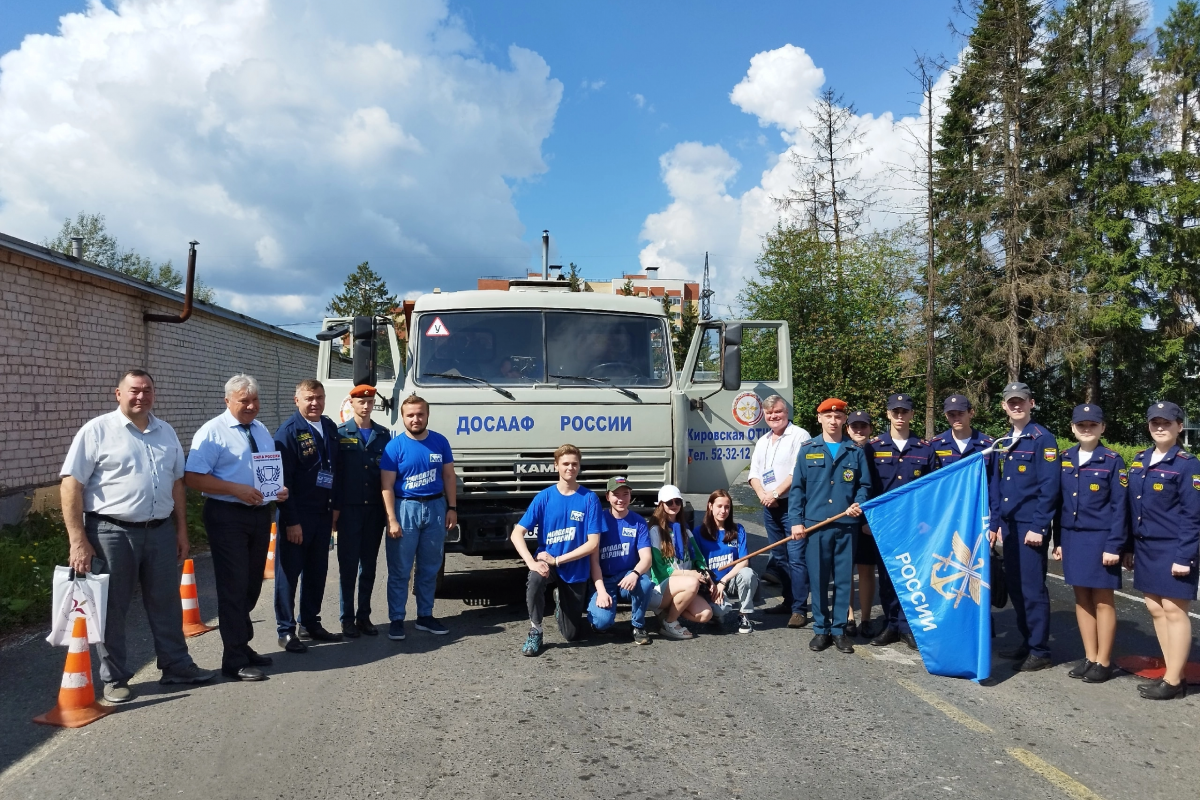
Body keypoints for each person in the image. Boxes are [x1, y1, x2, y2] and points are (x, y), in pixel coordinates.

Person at [60, 369, 216, 703]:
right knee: (112, 607)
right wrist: (77, 540)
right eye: (133, 390)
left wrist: (181, 531)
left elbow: (177, 483)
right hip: (110, 533)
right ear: (118, 394)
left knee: (167, 603)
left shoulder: (166, 432)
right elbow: (71, 484)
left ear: (153, 394)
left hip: (159, 531)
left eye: (146, 390)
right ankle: (115, 678)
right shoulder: (97, 431)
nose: (140, 396)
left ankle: (176, 665)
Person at [185, 374, 289, 682]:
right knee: (233, 585)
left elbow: (266, 471)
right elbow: (193, 477)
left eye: (255, 400)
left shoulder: (260, 429)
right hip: (227, 515)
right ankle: (233, 659)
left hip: (258, 514)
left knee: (252, 583)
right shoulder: (213, 432)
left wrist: (277, 490)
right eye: (244, 400)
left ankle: (243, 645)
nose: (251, 406)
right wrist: (235, 489)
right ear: (227, 401)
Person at [1127, 401, 1200, 700]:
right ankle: (1175, 670)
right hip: (1145, 546)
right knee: (1155, 609)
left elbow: (1193, 515)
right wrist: (1129, 547)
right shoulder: (1139, 459)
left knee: (1174, 609)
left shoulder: (1187, 463)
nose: (1160, 427)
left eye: (1167, 423)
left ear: (1179, 427)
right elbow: (1131, 509)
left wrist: (1185, 556)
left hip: (1173, 547)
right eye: (1155, 422)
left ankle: (1172, 682)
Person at [1051, 404, 1129, 684]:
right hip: (1072, 537)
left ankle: (1104, 660)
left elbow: (1121, 508)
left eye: (1092, 425)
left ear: (1102, 428)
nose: (1086, 429)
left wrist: (1115, 545)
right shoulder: (1064, 458)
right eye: (1081, 425)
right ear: (1072, 428)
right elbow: (1058, 503)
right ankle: (1090, 656)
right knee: (1081, 599)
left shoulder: (1112, 460)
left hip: (1101, 539)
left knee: (1103, 600)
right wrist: (1058, 541)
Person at [989, 381, 1061, 672]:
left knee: (1032, 588)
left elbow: (1050, 487)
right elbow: (1001, 486)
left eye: (1021, 401)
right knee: (1016, 588)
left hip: (1030, 526)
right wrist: (996, 524)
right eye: (1011, 402)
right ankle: (1027, 640)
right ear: (1004, 406)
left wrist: (1040, 526)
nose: (1016, 405)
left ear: (1031, 403)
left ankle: (1040, 649)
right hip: (1009, 525)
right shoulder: (1004, 440)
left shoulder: (1043, 438)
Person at [789, 398, 869, 654]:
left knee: (844, 579)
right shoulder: (808, 449)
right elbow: (798, 489)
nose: (834, 421)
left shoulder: (855, 451)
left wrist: (859, 503)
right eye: (828, 416)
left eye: (838, 417)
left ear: (844, 420)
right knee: (820, 578)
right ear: (820, 418)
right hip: (816, 525)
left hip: (846, 524)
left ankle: (839, 630)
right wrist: (796, 522)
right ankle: (821, 630)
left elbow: (865, 486)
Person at [509, 444, 603, 656]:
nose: (570, 468)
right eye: (565, 464)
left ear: (579, 467)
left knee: (572, 635)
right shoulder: (544, 497)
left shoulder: (589, 499)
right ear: (556, 466)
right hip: (547, 564)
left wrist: (558, 560)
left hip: (573, 568)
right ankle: (536, 630)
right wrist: (531, 563)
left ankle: (561, 600)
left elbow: (592, 544)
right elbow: (517, 534)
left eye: (574, 464)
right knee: (535, 578)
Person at [380, 394, 457, 641]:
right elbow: (387, 486)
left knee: (429, 567)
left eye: (420, 414)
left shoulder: (440, 442)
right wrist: (392, 518)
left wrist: (452, 507)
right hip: (405, 509)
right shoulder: (395, 447)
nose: (415, 419)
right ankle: (396, 619)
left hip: (435, 508)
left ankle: (425, 615)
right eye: (410, 415)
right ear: (402, 417)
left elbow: (448, 477)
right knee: (400, 568)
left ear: (427, 415)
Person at [273, 379, 342, 652]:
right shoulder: (287, 433)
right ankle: (286, 630)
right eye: (309, 398)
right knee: (289, 574)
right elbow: (282, 482)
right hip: (298, 516)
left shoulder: (329, 427)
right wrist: (291, 520)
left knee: (317, 571)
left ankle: (310, 622)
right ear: (297, 399)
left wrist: (335, 508)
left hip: (322, 514)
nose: (315, 403)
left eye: (320, 397)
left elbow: (334, 470)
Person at [866, 394, 937, 651]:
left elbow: (931, 489)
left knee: (912, 575)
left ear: (911, 415)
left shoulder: (925, 448)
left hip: (914, 524)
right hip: (884, 523)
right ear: (887, 414)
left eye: (904, 411)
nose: (899, 415)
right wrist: (866, 519)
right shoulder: (873, 447)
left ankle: (907, 626)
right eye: (895, 411)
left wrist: (927, 523)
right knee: (887, 576)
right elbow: (868, 487)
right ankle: (891, 623)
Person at [332, 384, 391, 638]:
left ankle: (363, 616)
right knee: (347, 565)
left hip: (374, 510)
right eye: (361, 402)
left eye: (369, 402)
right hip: (349, 509)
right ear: (352, 404)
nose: (366, 406)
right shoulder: (340, 433)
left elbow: (389, 475)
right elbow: (334, 474)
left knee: (368, 566)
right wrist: (334, 509)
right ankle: (346, 618)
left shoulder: (383, 434)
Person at [747, 395, 810, 629]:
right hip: (769, 506)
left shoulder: (800, 435)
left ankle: (799, 609)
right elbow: (754, 474)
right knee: (780, 558)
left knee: (796, 559)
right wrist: (763, 495)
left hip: (791, 505)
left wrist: (775, 494)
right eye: (769, 413)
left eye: (778, 412)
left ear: (787, 412)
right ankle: (789, 600)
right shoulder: (763, 440)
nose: (774, 416)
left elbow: (798, 472)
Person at [587, 476, 654, 645]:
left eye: (626, 494)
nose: (621, 499)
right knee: (601, 624)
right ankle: (596, 606)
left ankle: (637, 625)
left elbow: (647, 558)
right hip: (605, 579)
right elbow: (593, 561)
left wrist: (635, 573)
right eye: (616, 494)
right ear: (607, 496)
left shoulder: (638, 522)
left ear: (631, 496)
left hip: (627, 578)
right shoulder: (599, 520)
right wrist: (601, 591)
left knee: (645, 583)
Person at [646, 485, 713, 640]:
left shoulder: (685, 530)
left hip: (683, 584)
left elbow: (698, 558)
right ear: (660, 504)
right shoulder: (655, 531)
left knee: (705, 614)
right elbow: (660, 570)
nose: (674, 505)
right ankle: (669, 623)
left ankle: (668, 613)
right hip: (660, 587)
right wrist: (690, 574)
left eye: (678, 501)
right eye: (669, 502)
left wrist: (703, 572)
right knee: (691, 583)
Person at [693, 490, 760, 634]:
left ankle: (743, 615)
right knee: (720, 610)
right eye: (719, 506)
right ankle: (716, 613)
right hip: (710, 583)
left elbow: (744, 562)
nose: (723, 511)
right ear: (710, 506)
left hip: (730, 581)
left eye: (727, 507)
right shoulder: (698, 532)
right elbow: (697, 562)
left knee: (748, 574)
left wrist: (723, 581)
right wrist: (712, 583)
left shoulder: (738, 530)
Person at [845, 409, 877, 638]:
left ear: (870, 428)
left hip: (867, 520)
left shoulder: (879, 452)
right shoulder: (843, 451)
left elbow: (876, 489)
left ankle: (866, 618)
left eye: (863, 426)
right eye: (854, 426)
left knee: (866, 570)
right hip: (845, 518)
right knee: (846, 571)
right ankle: (849, 618)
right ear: (848, 429)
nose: (859, 430)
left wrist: (868, 520)